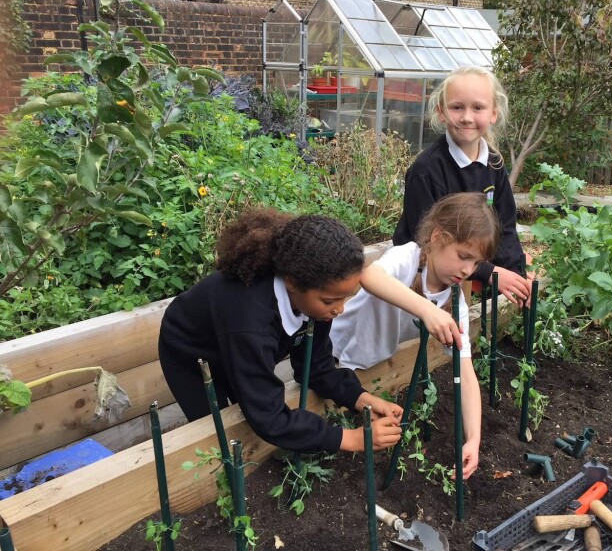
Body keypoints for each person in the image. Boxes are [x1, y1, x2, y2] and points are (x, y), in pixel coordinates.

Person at [158, 208, 408, 454]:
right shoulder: (252, 321)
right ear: (292, 282)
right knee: (218, 438)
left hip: (235, 340)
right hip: (189, 352)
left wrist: (360, 399)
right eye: (331, 301)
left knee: (248, 407)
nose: (339, 309)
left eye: (344, 298)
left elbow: (316, 367)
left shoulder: (315, 301)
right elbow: (267, 416)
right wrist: (349, 439)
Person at [331, 193, 500, 480]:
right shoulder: (407, 256)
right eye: (463, 256)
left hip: (365, 374)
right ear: (437, 237)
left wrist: (474, 439)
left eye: (476, 263)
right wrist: (426, 310)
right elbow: (370, 277)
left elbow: (465, 372)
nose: (468, 270)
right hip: (334, 355)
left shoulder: (454, 300)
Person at [392, 65, 532, 306]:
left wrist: (517, 276)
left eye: (477, 107)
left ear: (493, 114)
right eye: (457, 107)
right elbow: (427, 242)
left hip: (468, 268)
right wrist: (489, 273)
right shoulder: (426, 170)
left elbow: (505, 227)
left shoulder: (494, 164)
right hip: (421, 276)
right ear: (442, 112)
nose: (467, 117)